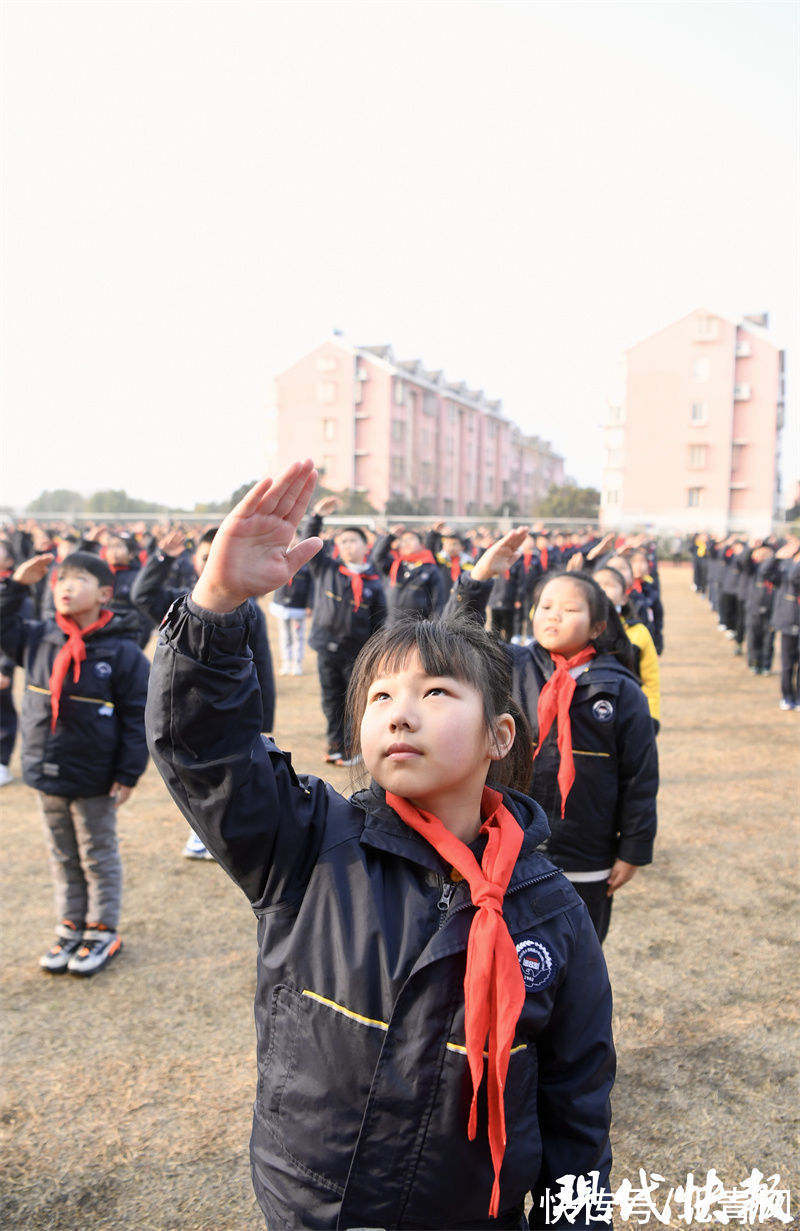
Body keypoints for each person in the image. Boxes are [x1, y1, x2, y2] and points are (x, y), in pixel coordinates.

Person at [146, 461, 615, 1231]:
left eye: (435, 693)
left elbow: (577, 1106)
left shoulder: (550, 911)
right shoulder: (309, 844)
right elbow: (203, 749)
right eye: (381, 696)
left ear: (501, 734)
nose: (401, 713)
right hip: (312, 1205)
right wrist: (217, 604)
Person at [448, 533, 658, 944]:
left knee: (579, 955)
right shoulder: (511, 665)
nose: (553, 616)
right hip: (510, 844)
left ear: (599, 625)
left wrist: (634, 849)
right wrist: (478, 580)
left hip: (587, 853)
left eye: (569, 609)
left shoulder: (621, 691)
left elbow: (640, 777)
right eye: (545, 606)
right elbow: (454, 643)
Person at [0, 550, 149, 975]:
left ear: (105, 593)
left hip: (95, 774)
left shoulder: (121, 651)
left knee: (97, 852)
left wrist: (127, 772)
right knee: (61, 852)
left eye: (78, 579)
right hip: (46, 768)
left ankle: (102, 928)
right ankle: (71, 923)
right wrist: (14, 586)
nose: (66, 586)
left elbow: (137, 716)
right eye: (61, 579)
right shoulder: (38, 637)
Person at [132, 525, 276, 859]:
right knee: (192, 775)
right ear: (195, 561)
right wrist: (161, 558)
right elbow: (142, 595)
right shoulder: (181, 602)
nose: (213, 563)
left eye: (221, 556)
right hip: (184, 707)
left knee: (234, 773)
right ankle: (200, 835)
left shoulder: (249, 609)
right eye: (206, 556)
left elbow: (263, 668)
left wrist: (265, 719)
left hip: (231, 709)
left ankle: (230, 837)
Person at [303, 496, 387, 764]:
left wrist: (375, 652)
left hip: (357, 651)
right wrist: (316, 516)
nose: (347, 546)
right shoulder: (327, 568)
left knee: (354, 700)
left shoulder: (373, 580)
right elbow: (309, 544)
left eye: (353, 541)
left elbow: (380, 620)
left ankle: (353, 747)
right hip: (326, 646)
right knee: (330, 698)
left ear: (365, 546)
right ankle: (334, 744)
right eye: (343, 542)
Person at [594, 566, 661, 732]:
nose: (602, 589)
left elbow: (650, 681)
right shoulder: (579, 630)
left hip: (629, 714)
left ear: (624, 598)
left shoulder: (638, 632)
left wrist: (652, 717)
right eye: (596, 584)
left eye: (609, 584)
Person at [371, 523, 445, 621]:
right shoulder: (396, 565)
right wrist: (391, 537)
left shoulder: (430, 569)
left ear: (421, 544)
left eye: (411, 539)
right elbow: (377, 557)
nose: (406, 543)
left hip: (417, 626)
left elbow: (437, 603)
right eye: (403, 540)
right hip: (392, 624)